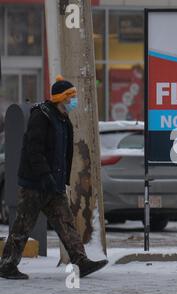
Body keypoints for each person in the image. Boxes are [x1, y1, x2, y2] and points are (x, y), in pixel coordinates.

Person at [0, 75, 108, 280]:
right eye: (71, 97)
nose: (74, 100)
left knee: (66, 223)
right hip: (35, 183)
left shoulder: (63, 119)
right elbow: (34, 149)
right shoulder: (41, 116)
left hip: (54, 184)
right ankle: (7, 265)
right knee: (23, 224)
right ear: (61, 98)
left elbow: (63, 152)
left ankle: (80, 261)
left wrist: (59, 179)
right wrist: (44, 175)